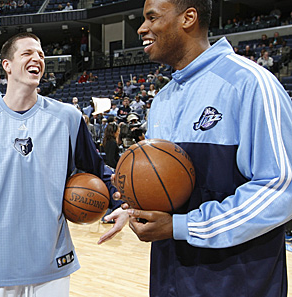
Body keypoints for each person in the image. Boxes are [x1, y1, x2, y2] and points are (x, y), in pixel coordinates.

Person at [100, 1, 292, 296]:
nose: (141, 28)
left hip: (238, 280)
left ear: (188, 17)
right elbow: (167, 187)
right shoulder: (163, 99)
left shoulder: (250, 83)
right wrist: (135, 201)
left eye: (152, 17)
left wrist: (183, 226)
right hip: (169, 278)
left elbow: (280, 190)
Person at [0, 32, 125, 296]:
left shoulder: (68, 118)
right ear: (7, 65)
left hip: (52, 265)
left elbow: (97, 169)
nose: (37, 59)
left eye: (41, 54)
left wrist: (120, 204)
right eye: (27, 53)